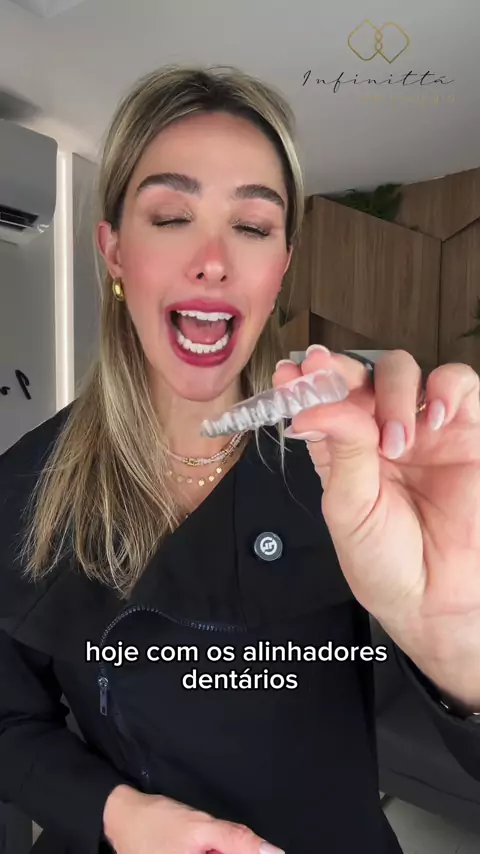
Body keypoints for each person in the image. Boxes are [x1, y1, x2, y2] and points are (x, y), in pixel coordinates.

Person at [1, 64, 480, 854]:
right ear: (114, 251)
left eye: (253, 227)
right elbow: (10, 725)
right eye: (171, 216)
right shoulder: (23, 485)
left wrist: (459, 641)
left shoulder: (351, 467)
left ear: (281, 264)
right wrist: (119, 815)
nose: (214, 259)